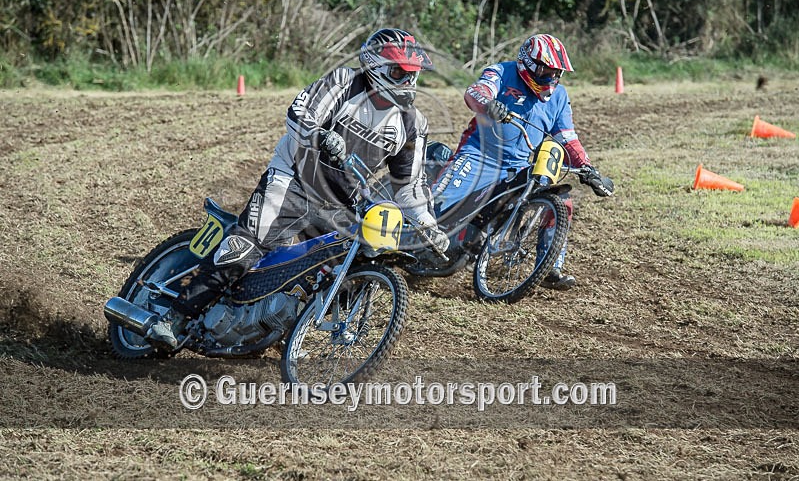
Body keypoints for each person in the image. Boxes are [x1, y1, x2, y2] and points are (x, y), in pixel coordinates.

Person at [146, 28, 449, 349]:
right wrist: (320, 137)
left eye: (413, 75)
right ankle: (175, 316)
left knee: (352, 262)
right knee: (247, 246)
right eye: (400, 72)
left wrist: (431, 229)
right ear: (374, 66)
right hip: (293, 178)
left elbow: (410, 186)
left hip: (340, 200)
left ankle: (282, 329)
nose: (408, 83)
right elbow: (300, 114)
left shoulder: (413, 123)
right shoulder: (345, 82)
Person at [432, 33, 614, 290]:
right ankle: (394, 245)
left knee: (562, 200)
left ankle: (549, 265)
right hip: (479, 156)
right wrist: (489, 104)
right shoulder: (502, 72)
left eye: (556, 73)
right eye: (545, 71)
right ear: (526, 63)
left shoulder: (559, 97)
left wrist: (589, 169)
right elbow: (475, 92)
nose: (551, 78)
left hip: (516, 167)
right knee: (437, 208)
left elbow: (568, 138)